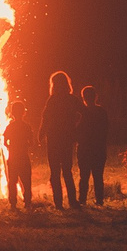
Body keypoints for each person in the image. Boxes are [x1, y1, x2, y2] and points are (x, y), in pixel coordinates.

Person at [40, 70, 82, 209]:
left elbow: (45, 118)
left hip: (53, 138)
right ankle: (72, 201)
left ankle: (58, 203)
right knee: (67, 171)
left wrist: (41, 134)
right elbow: (84, 113)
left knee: (55, 172)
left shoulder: (53, 100)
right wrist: (76, 127)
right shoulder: (72, 99)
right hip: (67, 138)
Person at [76, 84, 111, 206]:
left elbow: (76, 130)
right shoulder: (101, 112)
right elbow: (105, 130)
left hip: (84, 148)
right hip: (98, 148)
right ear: (96, 97)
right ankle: (99, 200)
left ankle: (82, 200)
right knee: (98, 176)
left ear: (83, 97)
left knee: (84, 176)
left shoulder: (81, 113)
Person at [2, 107, 33, 211]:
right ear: (23, 113)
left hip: (13, 156)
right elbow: (31, 142)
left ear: (12, 113)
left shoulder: (10, 126)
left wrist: (10, 147)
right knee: (26, 181)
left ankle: (13, 203)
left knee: (12, 181)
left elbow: (5, 142)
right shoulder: (26, 126)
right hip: (23, 156)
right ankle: (27, 202)